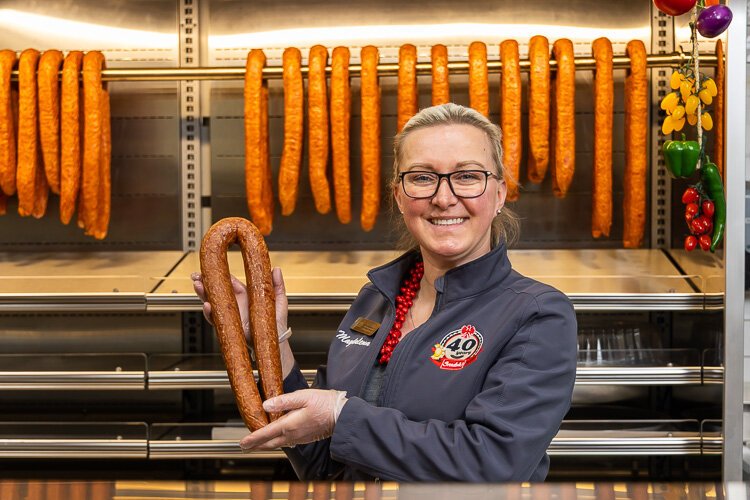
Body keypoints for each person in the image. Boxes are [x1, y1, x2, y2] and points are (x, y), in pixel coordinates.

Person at [192, 103, 577, 482]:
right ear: (399, 196)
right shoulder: (376, 300)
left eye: (467, 176)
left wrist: (342, 416)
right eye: (423, 178)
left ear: (499, 194)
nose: (443, 198)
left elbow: (495, 464)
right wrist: (269, 340)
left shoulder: (537, 314)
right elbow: (322, 463)